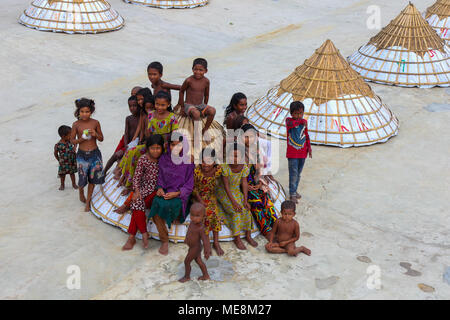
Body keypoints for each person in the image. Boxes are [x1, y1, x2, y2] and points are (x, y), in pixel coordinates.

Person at [148, 135, 194, 255]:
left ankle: (175, 217)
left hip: (179, 195)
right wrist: (160, 189)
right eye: (173, 144)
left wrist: (177, 193)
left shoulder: (188, 161)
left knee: (172, 206)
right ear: (168, 145)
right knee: (156, 204)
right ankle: (164, 240)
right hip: (166, 192)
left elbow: (189, 185)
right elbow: (160, 178)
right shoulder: (164, 159)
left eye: (178, 144)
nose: (175, 147)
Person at [122, 135, 164, 251]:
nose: (155, 151)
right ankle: (144, 233)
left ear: (162, 148)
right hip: (144, 188)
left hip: (157, 190)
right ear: (148, 148)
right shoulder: (143, 159)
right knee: (136, 201)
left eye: (158, 148)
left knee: (136, 204)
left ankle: (132, 237)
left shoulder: (164, 160)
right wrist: (136, 190)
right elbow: (136, 177)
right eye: (152, 148)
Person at [216, 143, 257, 250]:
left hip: (236, 190)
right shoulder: (224, 167)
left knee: (247, 210)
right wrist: (234, 202)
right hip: (224, 192)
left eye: (237, 156)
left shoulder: (243, 167)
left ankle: (248, 235)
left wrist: (245, 200)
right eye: (232, 156)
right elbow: (226, 187)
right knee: (236, 211)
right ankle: (237, 238)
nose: (234, 159)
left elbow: (244, 183)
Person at [240, 124, 278, 239]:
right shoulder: (238, 152)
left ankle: (277, 226)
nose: (249, 140)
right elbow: (236, 175)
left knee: (266, 200)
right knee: (256, 202)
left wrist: (260, 183)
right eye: (246, 137)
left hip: (256, 183)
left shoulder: (255, 151)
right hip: (243, 185)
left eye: (252, 137)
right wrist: (245, 187)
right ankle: (266, 231)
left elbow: (258, 170)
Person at [70, 98, 105, 212]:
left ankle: (88, 202)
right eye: (82, 112)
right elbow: (72, 141)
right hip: (82, 156)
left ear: (91, 112)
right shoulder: (76, 125)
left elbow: (101, 138)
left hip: (95, 154)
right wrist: (81, 139)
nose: (84, 114)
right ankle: (81, 190)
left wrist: (95, 134)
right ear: (78, 112)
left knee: (93, 179)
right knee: (82, 178)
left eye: (87, 112)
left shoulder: (95, 123)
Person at [192, 148, 224, 256]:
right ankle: (206, 243)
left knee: (214, 213)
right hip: (198, 197)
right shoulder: (197, 171)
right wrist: (200, 201)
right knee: (204, 214)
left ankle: (216, 242)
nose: (206, 165)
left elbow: (225, 184)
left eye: (209, 162)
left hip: (211, 196)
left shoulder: (218, 170)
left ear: (214, 162)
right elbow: (194, 189)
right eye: (203, 161)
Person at [178, 58, 216, 134]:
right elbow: (181, 91)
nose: (198, 72)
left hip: (200, 105)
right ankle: (197, 133)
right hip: (189, 105)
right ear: (192, 69)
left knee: (212, 111)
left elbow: (206, 95)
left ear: (206, 71)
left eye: (201, 70)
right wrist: (182, 107)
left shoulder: (206, 81)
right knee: (196, 114)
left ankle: (205, 129)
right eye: (195, 69)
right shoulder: (189, 80)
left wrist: (204, 106)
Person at [104, 96, 140, 175]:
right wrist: (126, 145)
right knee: (115, 155)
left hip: (134, 143)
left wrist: (128, 147)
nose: (132, 108)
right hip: (126, 142)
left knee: (119, 155)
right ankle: (104, 172)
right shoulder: (128, 118)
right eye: (130, 106)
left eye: (134, 106)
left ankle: (118, 172)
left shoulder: (141, 118)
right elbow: (126, 133)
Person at [286, 101, 312, 203]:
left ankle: (295, 190)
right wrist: (300, 121)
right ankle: (292, 193)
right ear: (291, 113)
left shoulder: (304, 122)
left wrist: (309, 148)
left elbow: (306, 135)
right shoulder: (289, 121)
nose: (299, 115)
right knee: (293, 174)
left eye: (301, 113)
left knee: (298, 174)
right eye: (296, 113)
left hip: (302, 153)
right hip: (292, 154)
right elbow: (292, 124)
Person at [179, 203, 211, 283]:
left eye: (197, 216)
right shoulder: (192, 223)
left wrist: (207, 251)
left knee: (187, 261)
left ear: (203, 216)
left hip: (195, 248)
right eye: (192, 215)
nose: (193, 218)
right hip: (192, 247)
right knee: (198, 261)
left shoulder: (201, 228)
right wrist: (186, 239)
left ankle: (187, 276)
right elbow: (189, 232)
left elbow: (205, 241)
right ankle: (206, 275)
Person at [54, 125, 78, 190]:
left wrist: (74, 147)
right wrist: (59, 160)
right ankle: (62, 185)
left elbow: (75, 143)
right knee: (62, 175)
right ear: (63, 136)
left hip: (71, 161)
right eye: (70, 135)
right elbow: (55, 153)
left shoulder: (70, 141)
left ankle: (74, 184)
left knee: (72, 173)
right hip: (63, 163)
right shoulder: (58, 145)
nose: (71, 136)